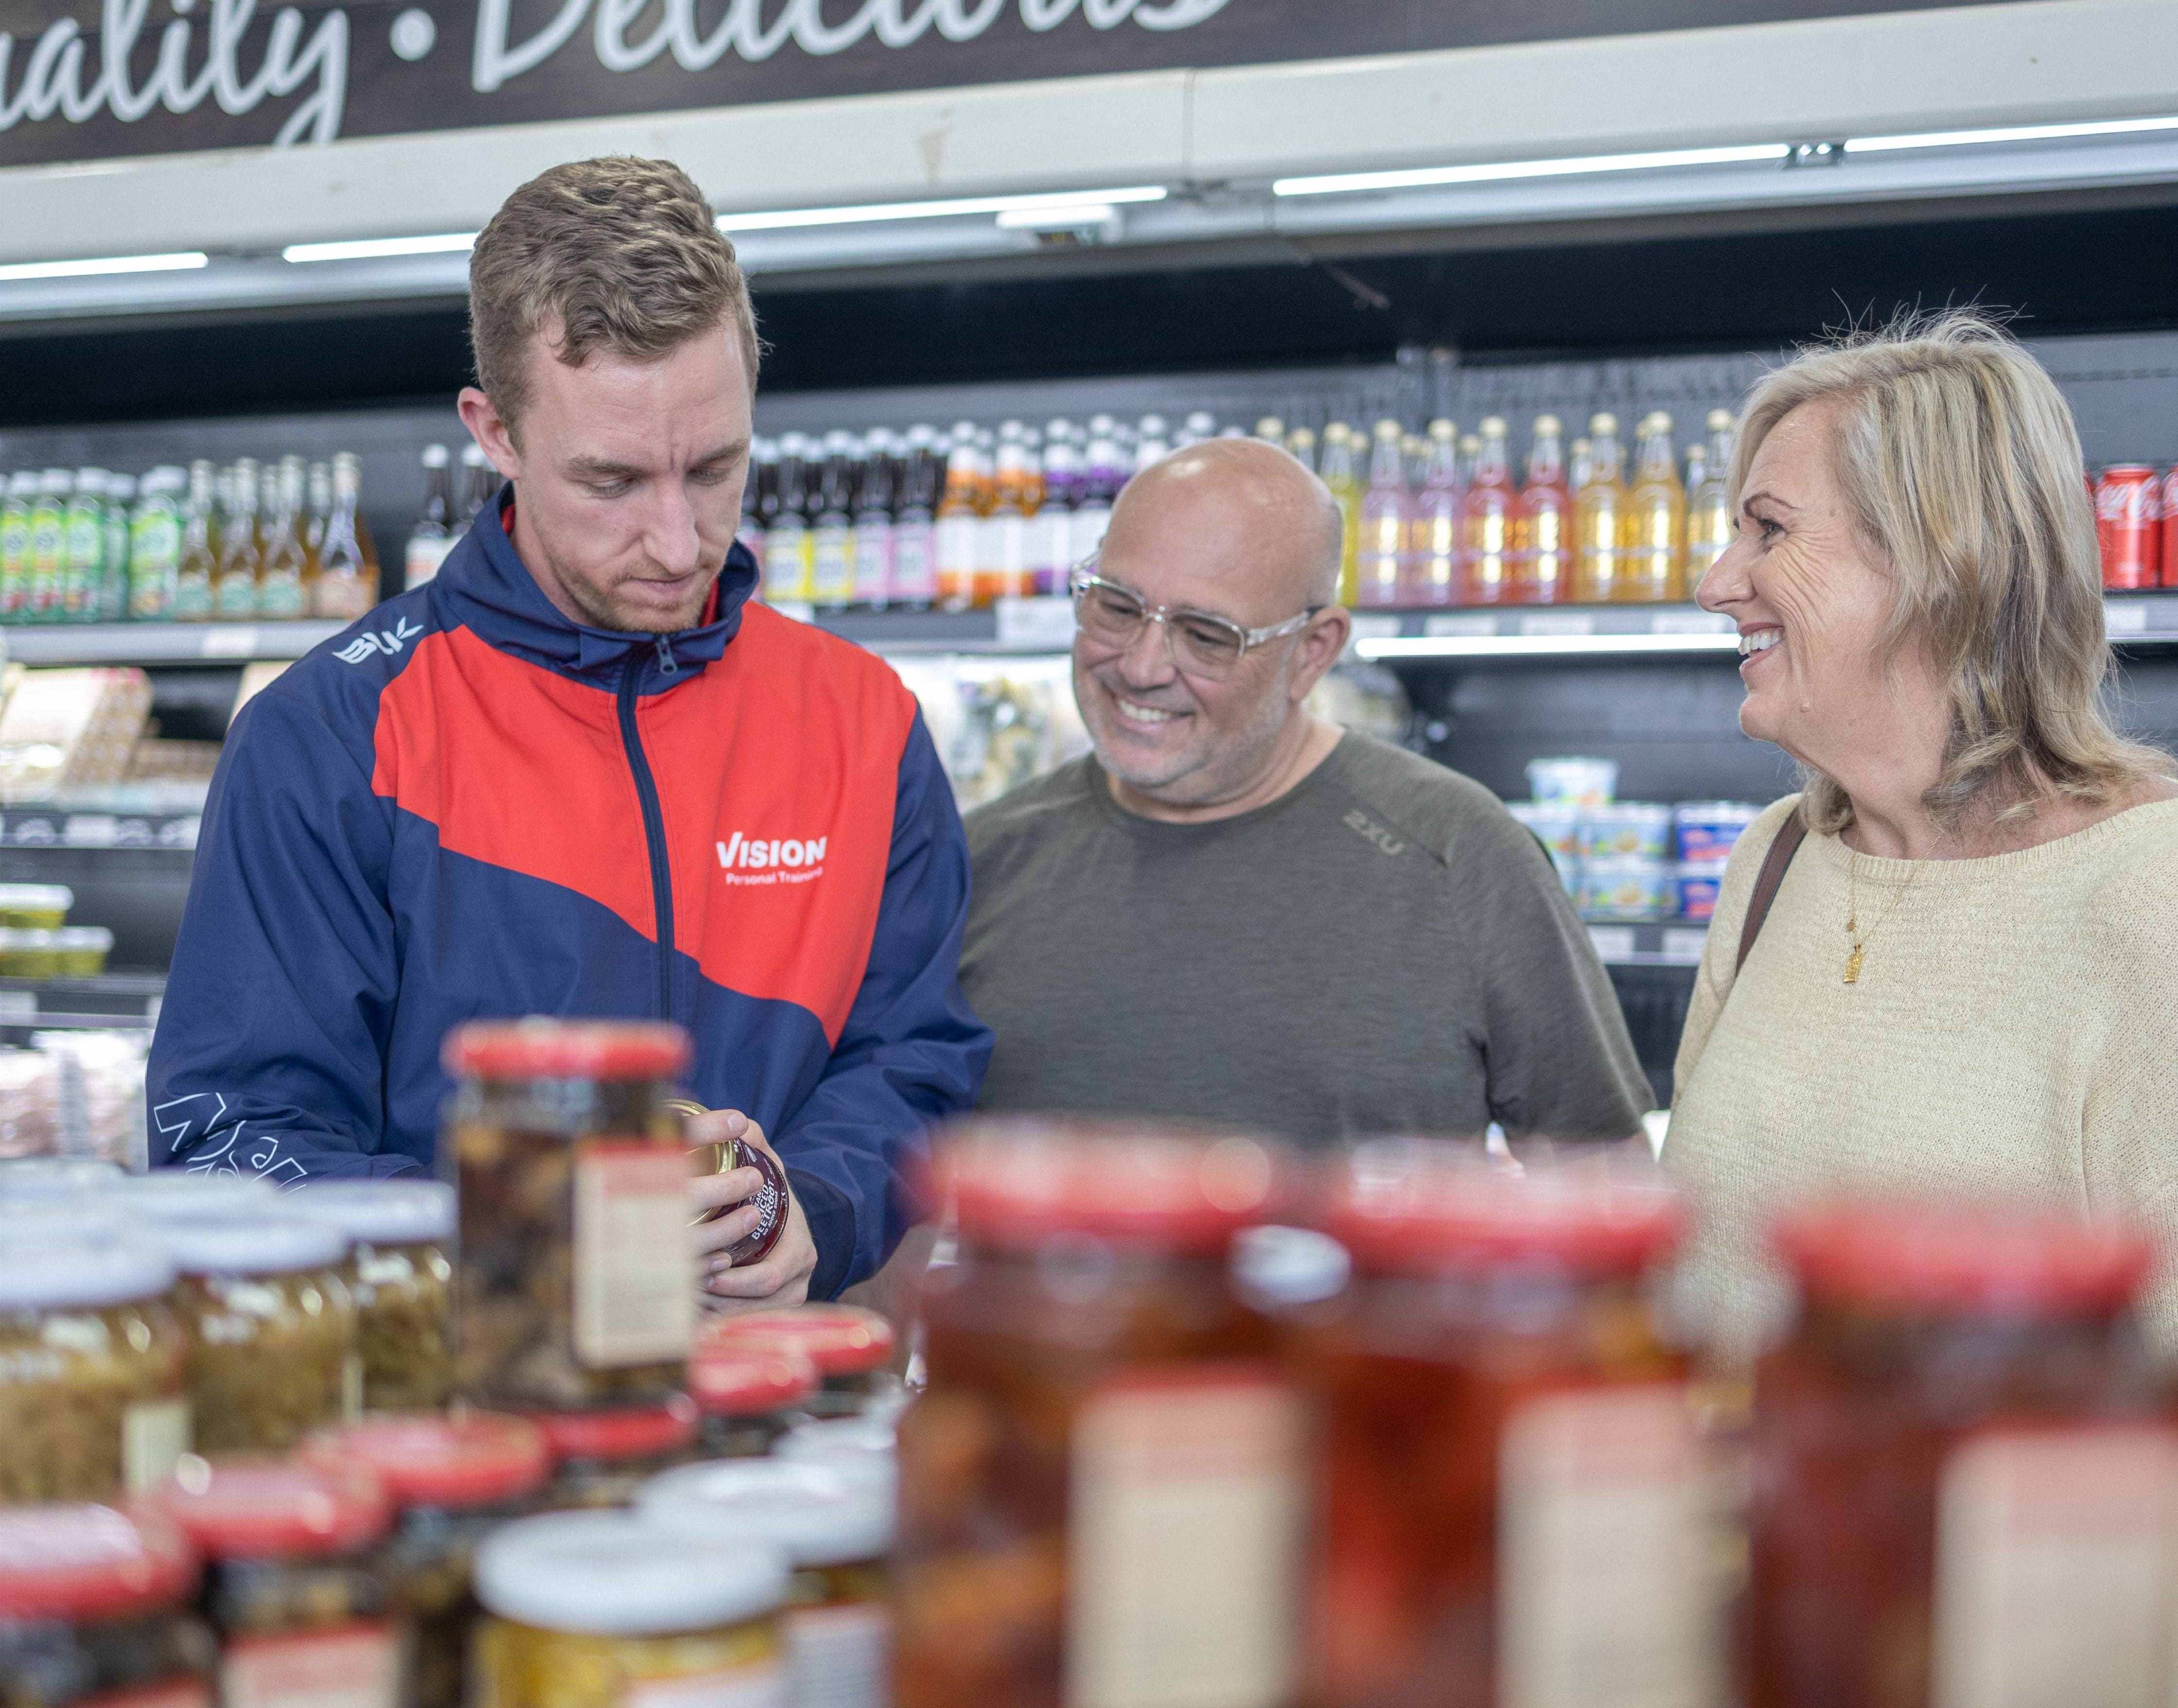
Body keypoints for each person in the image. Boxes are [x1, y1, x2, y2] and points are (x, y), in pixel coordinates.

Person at [147, 157, 991, 1309]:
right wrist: (523, 1231)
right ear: (494, 432)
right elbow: (229, 1136)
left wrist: (820, 1204)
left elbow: (918, 1059)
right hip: (450, 1418)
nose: (677, 538)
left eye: (715, 468)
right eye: (612, 480)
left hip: (775, 1424)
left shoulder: (865, 721)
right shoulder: (330, 735)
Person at [1665, 312, 2178, 1350]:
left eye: (1767, 529)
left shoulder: (2147, 892)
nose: (1715, 582)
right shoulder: (1777, 858)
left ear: (1937, 558)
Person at [959, 436, 1651, 1146]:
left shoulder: (1460, 856)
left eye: (1206, 635)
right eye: (1116, 606)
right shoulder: (975, 862)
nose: (1140, 666)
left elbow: (1599, 1178)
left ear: (1313, 651)